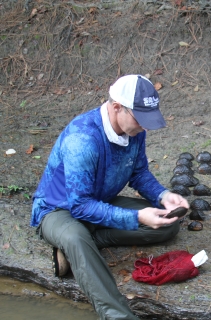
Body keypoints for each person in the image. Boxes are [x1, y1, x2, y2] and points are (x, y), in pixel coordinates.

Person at [30, 74, 190, 319]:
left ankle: (86, 247)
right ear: (117, 107)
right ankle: (118, 315)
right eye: (141, 119)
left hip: (100, 202)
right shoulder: (82, 140)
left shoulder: (135, 131)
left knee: (167, 224)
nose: (145, 126)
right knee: (74, 236)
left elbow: (138, 173)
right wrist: (137, 217)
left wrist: (163, 195)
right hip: (58, 209)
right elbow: (80, 206)